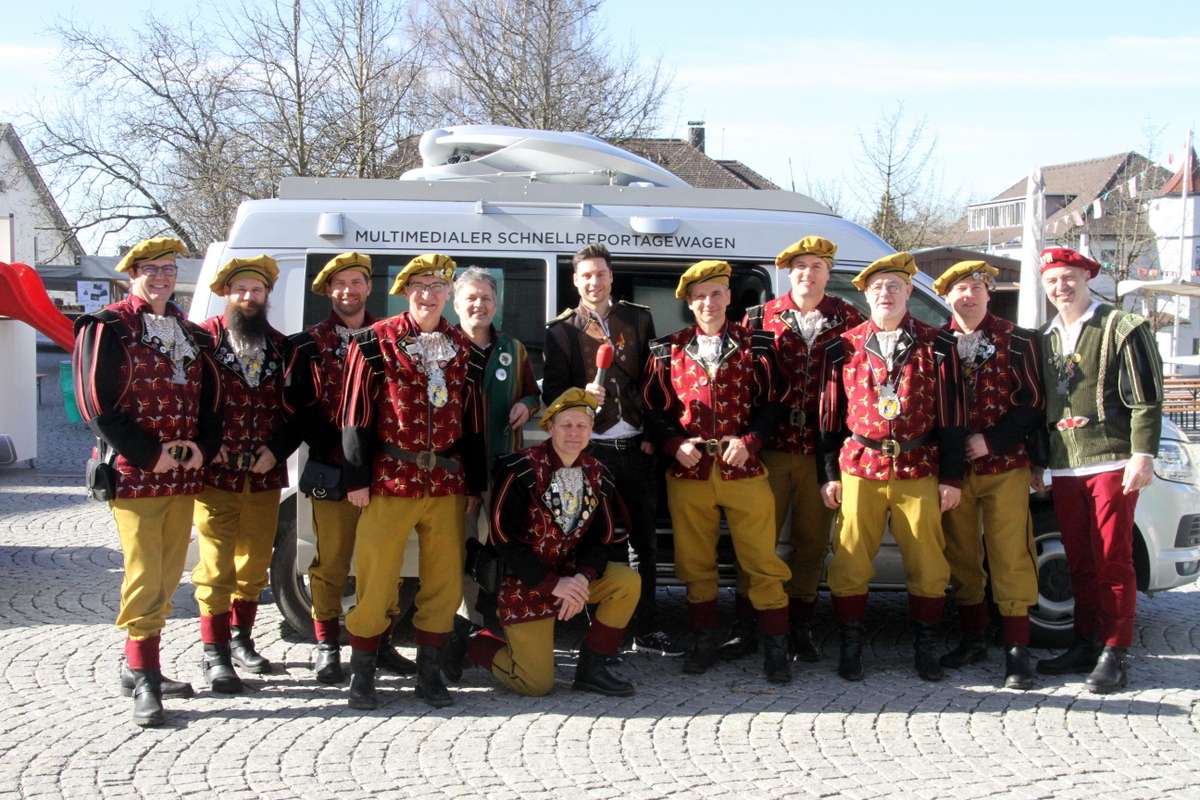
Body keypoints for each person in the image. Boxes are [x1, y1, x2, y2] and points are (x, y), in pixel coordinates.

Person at [72, 237, 220, 727]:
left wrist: (203, 446)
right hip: (137, 474)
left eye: (168, 269)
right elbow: (96, 404)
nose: (160, 277)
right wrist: (149, 454)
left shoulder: (191, 333)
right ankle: (145, 678)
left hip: (183, 475)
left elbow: (211, 400)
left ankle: (138, 666)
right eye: (150, 269)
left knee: (169, 573)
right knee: (144, 573)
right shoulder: (107, 325)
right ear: (131, 274)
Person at [339, 253, 484, 710]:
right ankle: (363, 675)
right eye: (420, 286)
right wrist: (356, 478)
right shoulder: (373, 342)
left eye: (438, 286)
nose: (428, 294)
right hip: (390, 480)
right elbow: (355, 414)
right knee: (376, 579)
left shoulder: (464, 348)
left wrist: (475, 484)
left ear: (449, 293)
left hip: (446, 484)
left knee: (443, 582)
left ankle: (430, 674)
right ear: (405, 291)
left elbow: (473, 421)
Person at [641, 260, 793, 684]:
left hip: (743, 469)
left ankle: (776, 649)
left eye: (715, 294)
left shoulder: (758, 345)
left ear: (729, 297)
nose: (708, 302)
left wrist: (752, 441)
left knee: (762, 561)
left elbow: (775, 402)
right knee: (695, 564)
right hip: (689, 474)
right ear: (689, 303)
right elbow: (652, 408)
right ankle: (704, 640)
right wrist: (674, 444)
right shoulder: (666, 349)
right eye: (699, 296)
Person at [817, 252, 967, 682]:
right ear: (866, 295)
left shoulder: (940, 344)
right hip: (859, 467)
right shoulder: (842, 347)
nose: (886, 293)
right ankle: (850, 647)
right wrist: (828, 475)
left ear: (909, 292)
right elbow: (828, 418)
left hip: (918, 466)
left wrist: (952, 477)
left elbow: (953, 416)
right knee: (849, 560)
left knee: (928, 562)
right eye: (877, 287)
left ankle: (925, 648)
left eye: (894, 286)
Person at [441, 389, 640, 697]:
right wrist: (552, 584)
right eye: (566, 425)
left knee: (627, 582)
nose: (574, 433)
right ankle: (466, 636)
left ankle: (592, 668)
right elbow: (502, 537)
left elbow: (601, 538)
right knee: (534, 684)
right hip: (522, 583)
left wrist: (581, 578)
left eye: (582, 426)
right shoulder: (520, 467)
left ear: (591, 430)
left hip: (568, 577)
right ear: (550, 427)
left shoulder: (597, 472)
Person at [1033, 247, 1162, 693]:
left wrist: (1143, 454)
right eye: (1052, 280)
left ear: (1087, 277)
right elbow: (1041, 406)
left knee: (1113, 559)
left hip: (1112, 459)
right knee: (1080, 560)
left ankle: (1114, 650)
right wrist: (1040, 460)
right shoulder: (1045, 336)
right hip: (1065, 464)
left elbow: (1147, 397)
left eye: (1069, 277)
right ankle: (1085, 642)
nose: (1061, 287)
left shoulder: (1122, 326)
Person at [543, 243, 681, 657]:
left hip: (636, 446)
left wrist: (653, 433)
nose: (594, 282)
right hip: (592, 451)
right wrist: (579, 394)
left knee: (644, 544)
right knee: (594, 542)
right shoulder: (561, 331)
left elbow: (655, 382)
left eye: (600, 274)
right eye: (586, 275)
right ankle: (603, 635)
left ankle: (646, 628)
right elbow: (552, 396)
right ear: (575, 281)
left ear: (611, 276)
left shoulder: (638, 318)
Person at [733, 235, 863, 662]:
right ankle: (748, 625)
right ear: (789, 273)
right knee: (757, 541)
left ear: (829, 272)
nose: (808, 274)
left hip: (823, 450)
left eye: (817, 266)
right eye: (801, 266)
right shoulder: (759, 318)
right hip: (770, 446)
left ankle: (800, 627)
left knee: (811, 544)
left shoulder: (851, 319)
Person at [288, 252, 415, 684]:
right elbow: (299, 409)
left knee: (386, 561)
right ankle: (327, 645)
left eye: (356, 281)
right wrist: (342, 450)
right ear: (328, 290)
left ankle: (382, 641)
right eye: (339, 283)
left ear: (369, 287)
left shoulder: (391, 337)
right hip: (334, 468)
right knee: (332, 561)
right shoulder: (307, 344)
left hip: (386, 470)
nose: (348, 290)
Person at [192, 255, 304, 693]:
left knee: (254, 565)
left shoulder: (281, 348)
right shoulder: (202, 341)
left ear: (267, 295)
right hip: (215, 476)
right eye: (240, 289)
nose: (248, 297)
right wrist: (205, 443)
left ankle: (241, 640)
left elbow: (299, 411)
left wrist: (277, 451)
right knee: (215, 567)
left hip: (262, 476)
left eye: (256, 290)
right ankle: (214, 653)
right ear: (226, 293)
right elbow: (187, 399)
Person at [933, 261, 1044, 690]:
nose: (969, 296)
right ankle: (973, 637)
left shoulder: (1018, 340)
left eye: (976, 287)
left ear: (988, 294)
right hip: (953, 470)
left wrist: (992, 440)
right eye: (960, 289)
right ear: (947, 296)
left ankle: (1018, 650)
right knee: (961, 555)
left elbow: (1033, 402)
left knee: (1010, 554)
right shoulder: (934, 342)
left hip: (1004, 465)